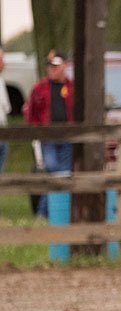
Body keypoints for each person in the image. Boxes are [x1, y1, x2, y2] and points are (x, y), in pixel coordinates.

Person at [23, 50, 74, 217]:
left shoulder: (71, 87)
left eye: (56, 66)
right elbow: (32, 114)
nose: (52, 69)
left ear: (64, 66)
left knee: (64, 174)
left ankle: (50, 212)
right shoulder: (39, 88)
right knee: (52, 169)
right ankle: (46, 211)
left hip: (67, 137)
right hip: (47, 138)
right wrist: (35, 132)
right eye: (50, 66)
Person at [0, 48, 11, 174]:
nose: (4, 63)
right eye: (1, 59)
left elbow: (6, 109)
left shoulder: (1, 80)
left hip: (3, 131)